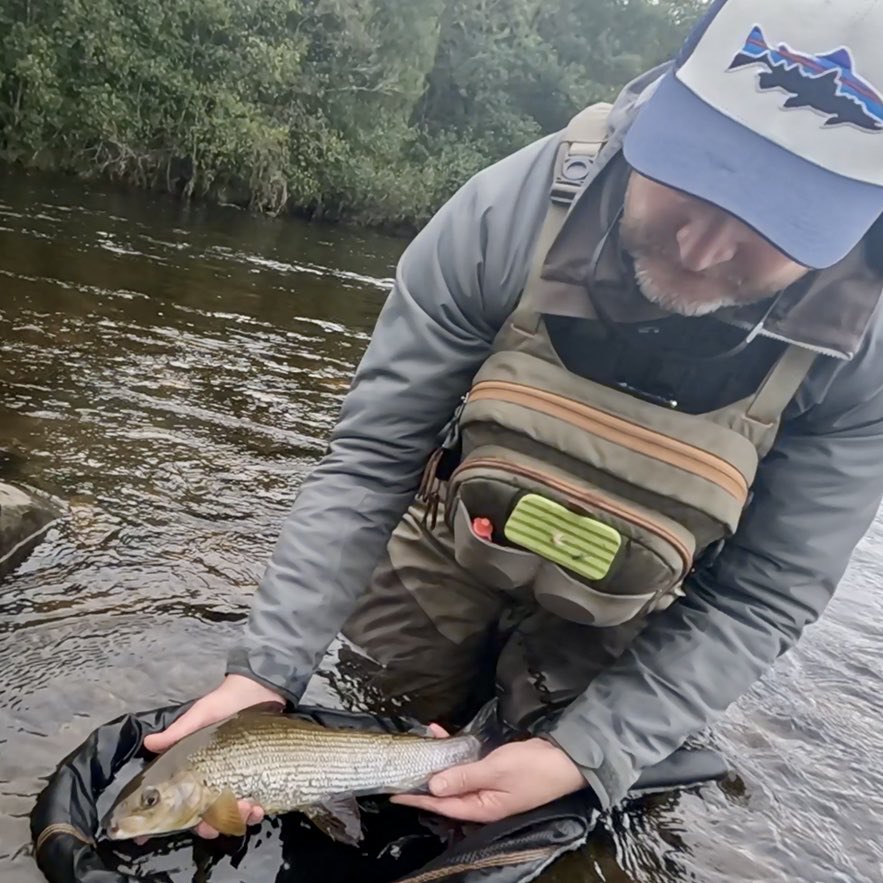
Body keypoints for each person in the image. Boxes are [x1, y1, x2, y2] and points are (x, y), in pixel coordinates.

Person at [143, 0, 883, 841]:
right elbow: (371, 461)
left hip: (628, 603)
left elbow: (759, 596)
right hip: (454, 535)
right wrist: (264, 676)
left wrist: (586, 750)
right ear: (659, 108)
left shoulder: (865, 353)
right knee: (379, 702)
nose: (703, 249)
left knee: (565, 781)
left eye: (777, 225)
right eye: (695, 175)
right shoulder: (508, 212)